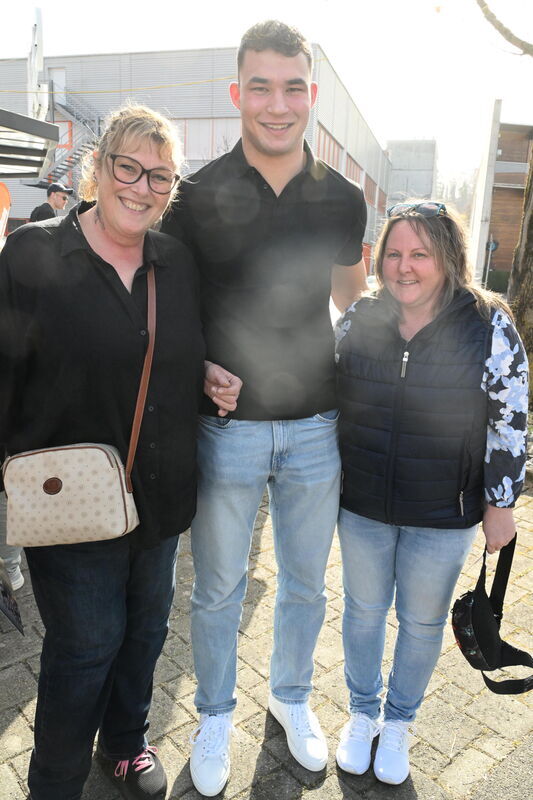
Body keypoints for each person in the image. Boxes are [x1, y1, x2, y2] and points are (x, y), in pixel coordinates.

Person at [162, 19, 367, 796]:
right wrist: (198, 366)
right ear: (236, 93)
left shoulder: (342, 197)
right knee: (217, 589)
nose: (276, 104)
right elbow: (172, 309)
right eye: (260, 87)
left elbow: (352, 302)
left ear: (309, 95)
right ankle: (215, 714)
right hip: (228, 432)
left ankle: (289, 698)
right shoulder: (193, 195)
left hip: (317, 426)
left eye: (291, 88)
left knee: (307, 586)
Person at [0, 104, 206, 800]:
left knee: (145, 630)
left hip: (159, 493)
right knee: (86, 646)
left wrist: (212, 376)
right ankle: (55, 784)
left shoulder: (175, 263)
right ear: (98, 166)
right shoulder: (32, 253)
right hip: (70, 498)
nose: (141, 187)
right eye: (129, 167)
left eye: (160, 176)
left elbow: (180, 357)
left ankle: (123, 744)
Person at [334, 202, 528, 785]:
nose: (404, 266)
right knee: (363, 612)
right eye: (393, 253)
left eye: (420, 253)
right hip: (362, 504)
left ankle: (398, 722)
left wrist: (501, 503)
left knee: (421, 623)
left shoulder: (489, 325)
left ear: (448, 258)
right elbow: (321, 391)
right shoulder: (360, 317)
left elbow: (510, 420)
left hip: (446, 512)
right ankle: (362, 713)